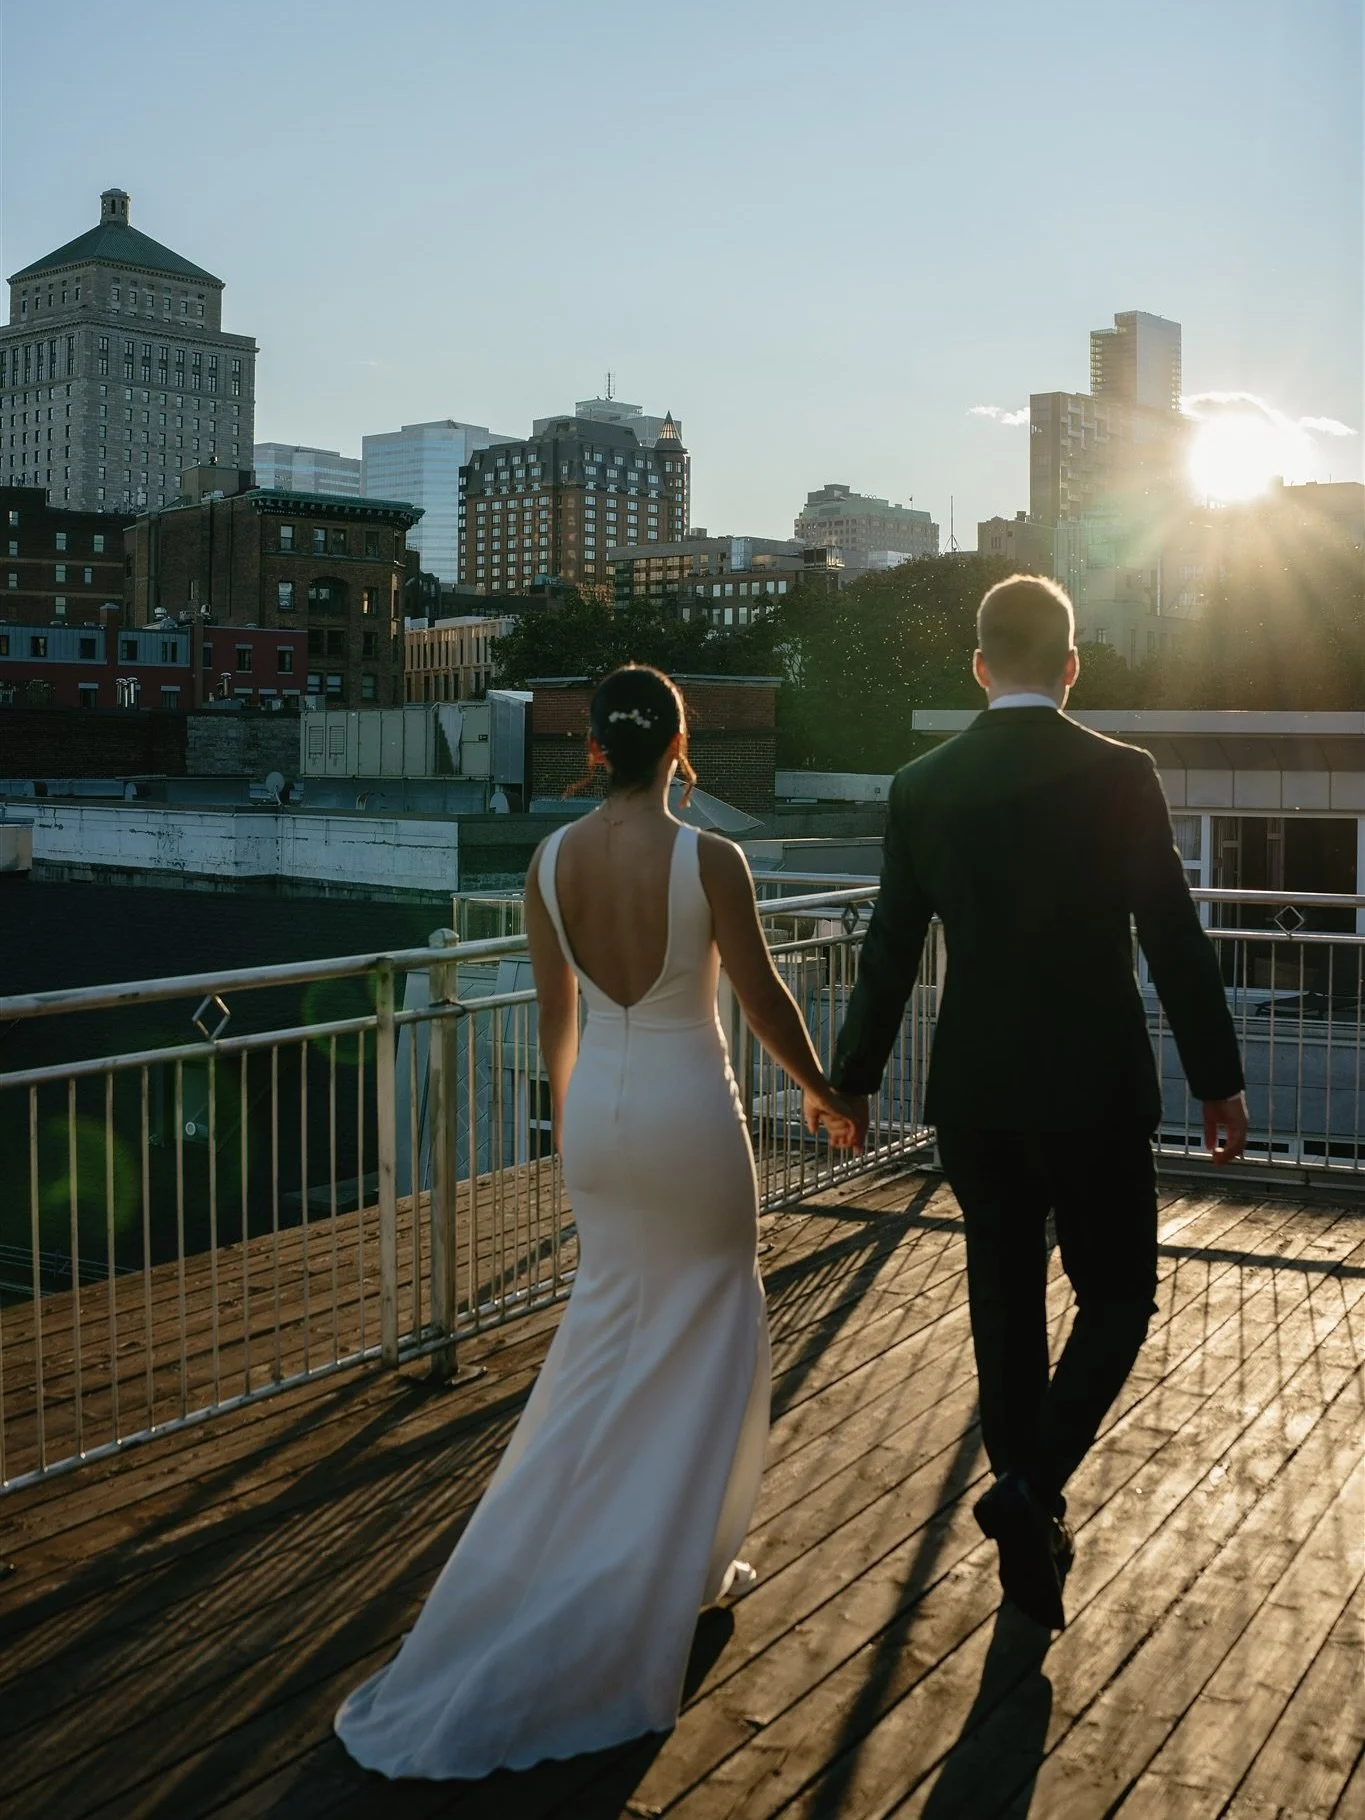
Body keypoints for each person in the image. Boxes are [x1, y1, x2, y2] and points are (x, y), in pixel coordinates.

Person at [335, 663, 860, 1779]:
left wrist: (574, 1133)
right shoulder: (707, 857)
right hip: (688, 1114)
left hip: (602, 1128)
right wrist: (820, 1087)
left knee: (607, 1338)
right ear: (680, 745)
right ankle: (678, 1565)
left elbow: (555, 1015)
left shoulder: (548, 859)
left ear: (590, 750)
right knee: (713, 1324)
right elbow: (761, 996)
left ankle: (570, 1548)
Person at [829, 574, 1248, 1631]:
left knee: (1004, 1311)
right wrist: (1218, 1075)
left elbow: (888, 953)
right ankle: (1032, 1489)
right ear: (1071, 665)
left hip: (975, 1090)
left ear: (979, 666)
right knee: (1118, 1298)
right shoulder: (1120, 773)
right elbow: (1173, 936)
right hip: (1096, 1085)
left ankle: (1031, 1540)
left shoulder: (922, 783)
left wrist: (854, 1078)